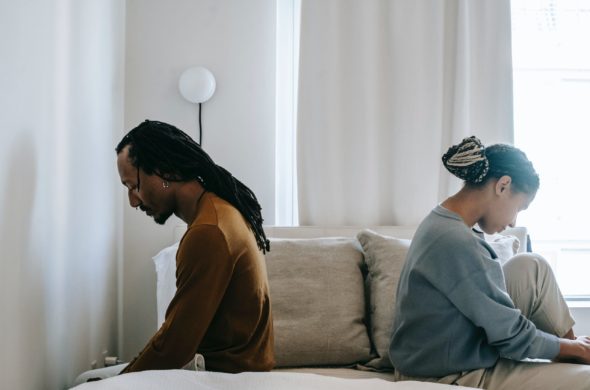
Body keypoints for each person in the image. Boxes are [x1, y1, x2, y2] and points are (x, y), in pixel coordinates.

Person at [389, 136, 590, 389]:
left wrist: (571, 346)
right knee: (585, 380)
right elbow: (513, 337)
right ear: (503, 186)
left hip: (447, 351)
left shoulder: (442, 220)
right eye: (520, 207)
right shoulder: (456, 241)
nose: (514, 223)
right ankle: (578, 355)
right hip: (448, 374)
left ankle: (578, 351)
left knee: (531, 266)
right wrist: (569, 348)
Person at [113, 120, 273, 375]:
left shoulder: (207, 233)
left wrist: (119, 382)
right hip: (235, 372)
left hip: (222, 379)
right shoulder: (222, 210)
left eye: (134, 186)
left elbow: (173, 348)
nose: (133, 201)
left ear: (164, 171)